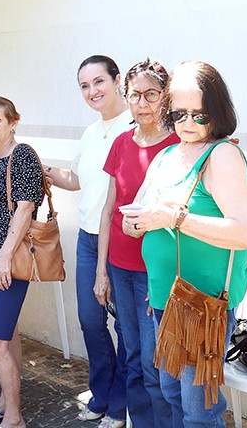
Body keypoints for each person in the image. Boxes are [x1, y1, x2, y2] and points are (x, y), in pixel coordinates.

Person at [122, 61, 247, 427]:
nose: (188, 123)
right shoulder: (167, 155)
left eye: (199, 114)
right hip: (164, 298)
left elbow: (245, 232)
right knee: (170, 394)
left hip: (201, 304)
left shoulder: (222, 155)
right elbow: (138, 214)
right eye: (178, 114)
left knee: (198, 412)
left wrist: (174, 218)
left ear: (217, 111)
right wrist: (135, 222)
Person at [45, 55, 129, 428]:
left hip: (123, 242)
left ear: (117, 80)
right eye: (84, 85)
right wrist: (40, 167)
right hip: (89, 239)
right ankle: (102, 394)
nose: (92, 91)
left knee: (125, 328)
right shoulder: (92, 132)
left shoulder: (135, 126)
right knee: (90, 321)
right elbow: (77, 179)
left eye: (99, 82)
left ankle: (121, 405)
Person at [94, 59, 178, 428]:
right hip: (120, 266)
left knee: (154, 363)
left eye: (151, 94)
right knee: (131, 355)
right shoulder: (121, 143)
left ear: (165, 96)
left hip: (155, 273)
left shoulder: (178, 146)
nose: (142, 103)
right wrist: (101, 270)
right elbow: (108, 209)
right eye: (134, 95)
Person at [0, 96, 43, 428]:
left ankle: (14, 417)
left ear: (13, 122)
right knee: (8, 333)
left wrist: (2, 258)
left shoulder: (22, 154)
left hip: (9, 264)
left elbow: (26, 209)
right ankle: (5, 401)